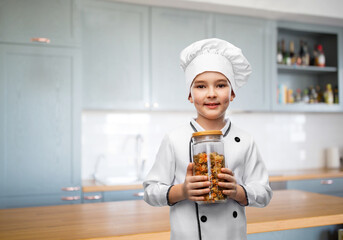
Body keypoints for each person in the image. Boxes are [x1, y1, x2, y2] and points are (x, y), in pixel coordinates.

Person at [143, 38, 272, 240]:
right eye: (201, 86)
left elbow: (264, 193)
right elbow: (150, 191)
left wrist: (237, 191)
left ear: (232, 93)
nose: (211, 94)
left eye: (221, 85)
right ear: (190, 95)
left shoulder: (245, 140)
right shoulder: (174, 139)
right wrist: (182, 191)